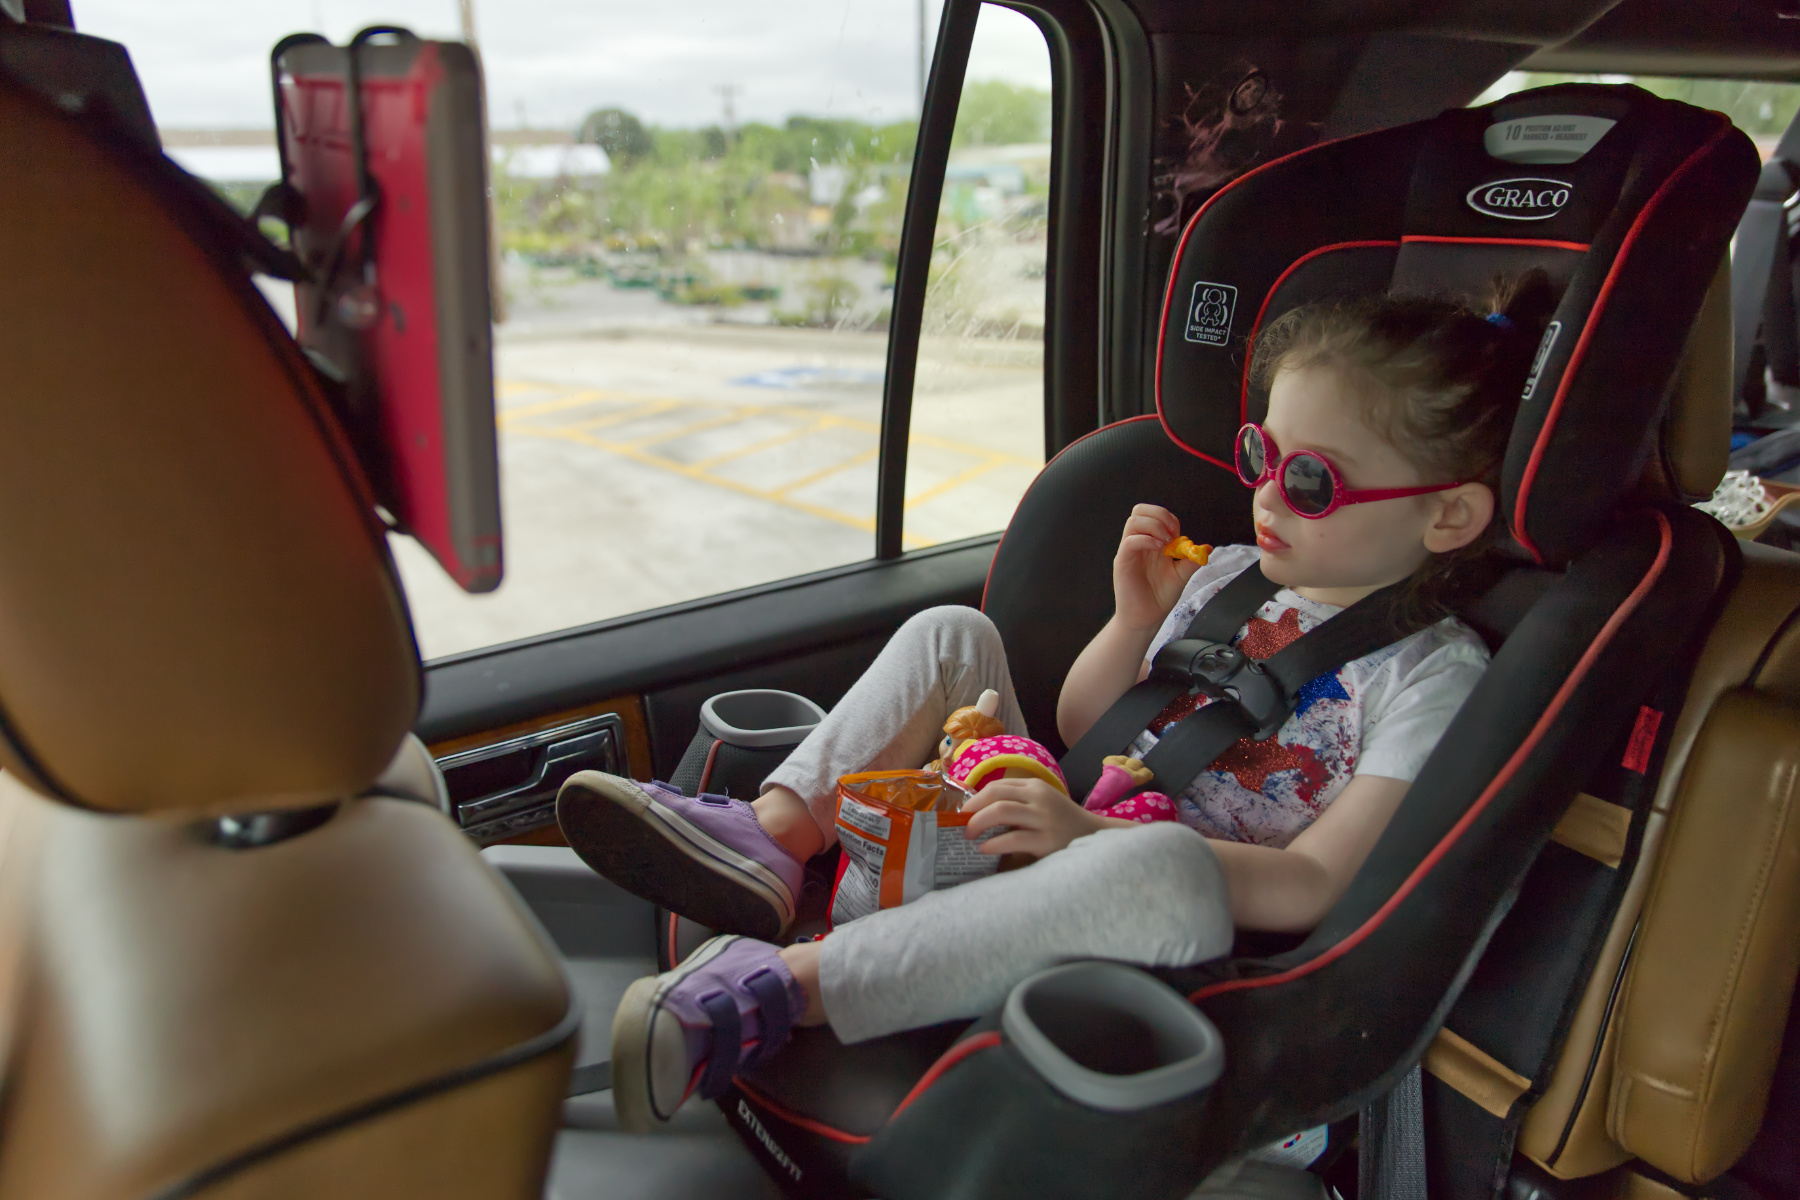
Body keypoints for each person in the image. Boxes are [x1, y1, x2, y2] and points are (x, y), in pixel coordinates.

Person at [558, 271, 1557, 1131]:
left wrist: (1088, 840)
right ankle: (776, 840)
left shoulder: (1434, 673)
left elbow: (1311, 887)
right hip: (1077, 816)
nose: (1264, 496)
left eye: (1310, 480)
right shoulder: (1229, 577)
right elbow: (1087, 728)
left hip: (1172, 917)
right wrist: (1133, 623)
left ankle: (788, 991)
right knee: (953, 635)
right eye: (1260, 456)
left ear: (1449, 514)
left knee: (1162, 864)